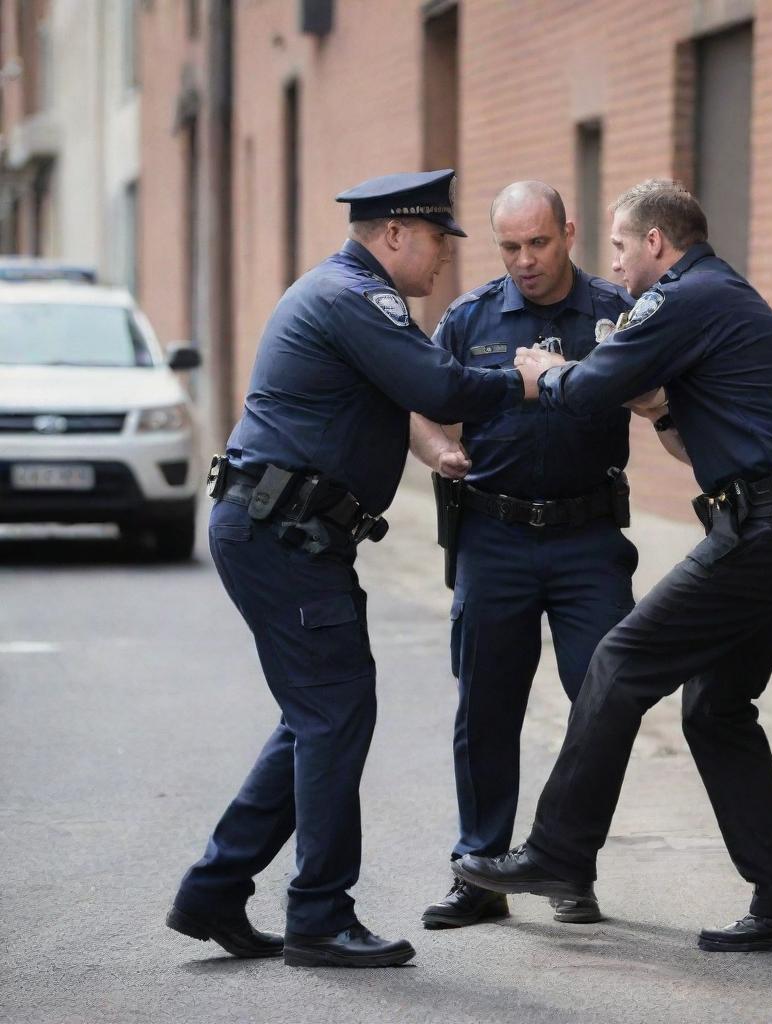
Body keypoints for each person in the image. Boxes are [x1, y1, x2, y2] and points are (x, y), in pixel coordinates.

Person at [454, 179, 772, 956]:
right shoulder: (715, 296)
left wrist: (547, 368)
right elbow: (692, 435)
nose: (618, 264)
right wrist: (663, 407)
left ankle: (558, 852)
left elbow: (591, 385)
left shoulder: (684, 294)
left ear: (656, 245)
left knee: (621, 660)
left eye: (621, 248)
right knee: (715, 708)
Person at [165, 170, 528, 969]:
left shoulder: (348, 297)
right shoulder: (354, 297)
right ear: (395, 234)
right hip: (282, 534)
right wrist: (527, 379)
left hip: (287, 531)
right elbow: (436, 384)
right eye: (437, 241)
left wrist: (438, 444)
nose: (443, 262)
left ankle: (215, 889)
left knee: (317, 714)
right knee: (334, 712)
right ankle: (320, 915)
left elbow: (408, 405)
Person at [410, 181, 638, 930]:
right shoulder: (470, 317)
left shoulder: (613, 312)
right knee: (486, 707)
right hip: (494, 537)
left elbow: (664, 392)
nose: (525, 261)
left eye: (537, 243)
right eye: (509, 247)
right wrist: (442, 450)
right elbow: (422, 408)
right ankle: (480, 874)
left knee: (602, 704)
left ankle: (568, 865)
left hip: (587, 541)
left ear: (568, 233)